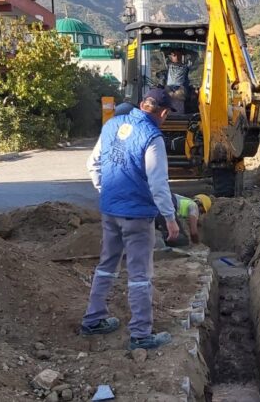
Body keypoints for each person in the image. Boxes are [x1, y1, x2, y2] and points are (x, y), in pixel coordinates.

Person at [82, 88, 180, 350]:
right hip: (137, 216)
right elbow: (158, 183)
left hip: (110, 211)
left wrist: (106, 191)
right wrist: (170, 218)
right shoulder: (152, 136)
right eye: (167, 114)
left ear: (141, 104)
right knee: (139, 274)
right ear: (162, 112)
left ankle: (93, 318)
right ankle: (140, 334)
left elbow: (93, 164)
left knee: (107, 264)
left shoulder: (112, 124)